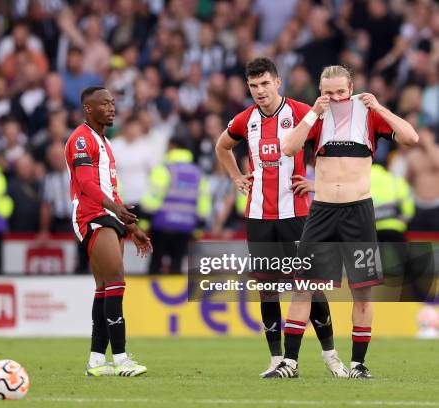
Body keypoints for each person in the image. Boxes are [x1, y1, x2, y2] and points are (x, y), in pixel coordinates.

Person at [269, 65, 419, 379]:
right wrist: (312, 112)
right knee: (303, 288)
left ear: (350, 88)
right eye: (328, 92)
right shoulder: (316, 117)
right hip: (322, 212)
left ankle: (358, 365)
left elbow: (410, 137)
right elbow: (289, 148)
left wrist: (379, 107)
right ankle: (290, 363)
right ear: (320, 91)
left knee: (362, 292)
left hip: (358, 212)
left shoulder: (369, 114)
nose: (335, 98)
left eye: (340, 91)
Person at [215, 57, 347, 378]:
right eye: (253, 85)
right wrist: (236, 176)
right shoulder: (245, 120)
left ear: (278, 82)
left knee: (309, 286)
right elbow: (222, 146)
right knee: (268, 289)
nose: (259, 91)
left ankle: (331, 355)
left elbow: (339, 150)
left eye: (264, 84)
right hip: (259, 216)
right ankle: (278, 360)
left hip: (297, 214)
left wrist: (319, 183)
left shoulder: (302, 113)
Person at [64, 86, 152, 377]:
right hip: (91, 214)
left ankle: (97, 360)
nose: (112, 108)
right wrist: (115, 209)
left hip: (107, 214)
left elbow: (108, 187)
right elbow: (87, 184)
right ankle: (122, 359)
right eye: (105, 104)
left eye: (114, 103)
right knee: (116, 280)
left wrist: (131, 226)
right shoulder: (80, 139)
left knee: (105, 288)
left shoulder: (103, 141)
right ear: (89, 108)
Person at [141, 136, 211, 274]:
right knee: (177, 266)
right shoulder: (197, 173)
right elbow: (203, 202)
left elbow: (152, 200)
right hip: (186, 227)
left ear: (173, 146)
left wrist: (143, 224)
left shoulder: (164, 169)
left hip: (162, 225)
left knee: (155, 263)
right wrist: (198, 229)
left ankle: (150, 295)